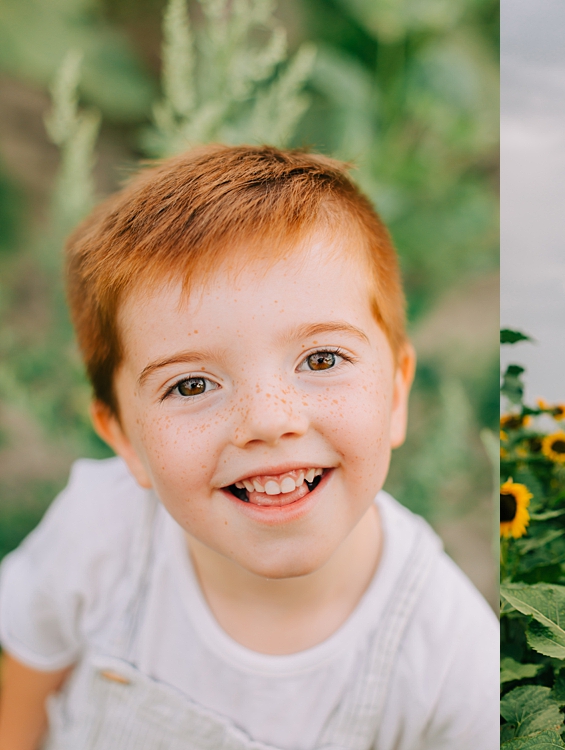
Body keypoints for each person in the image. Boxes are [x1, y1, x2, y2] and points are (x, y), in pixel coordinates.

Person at [0, 145, 499, 750]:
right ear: (125, 439)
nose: (267, 420)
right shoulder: (101, 534)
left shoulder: (451, 655)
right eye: (191, 384)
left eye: (320, 359)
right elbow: (22, 699)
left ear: (395, 394)